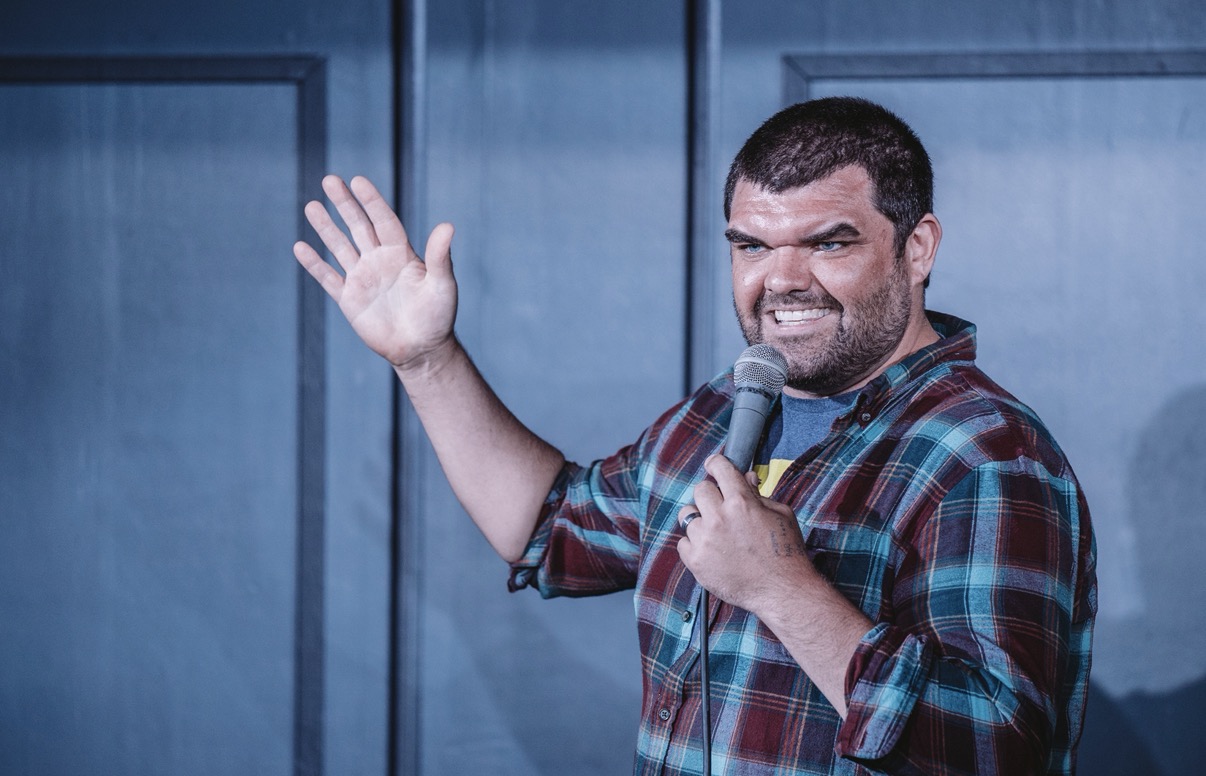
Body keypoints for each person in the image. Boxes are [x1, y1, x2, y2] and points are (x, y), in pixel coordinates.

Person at [294, 97, 1096, 775]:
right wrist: (427, 359)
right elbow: (550, 529)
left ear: (916, 248)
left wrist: (782, 588)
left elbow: (999, 750)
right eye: (752, 246)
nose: (781, 280)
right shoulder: (723, 411)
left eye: (829, 242)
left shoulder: (988, 454)